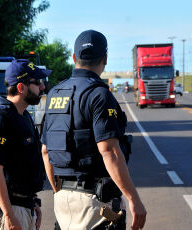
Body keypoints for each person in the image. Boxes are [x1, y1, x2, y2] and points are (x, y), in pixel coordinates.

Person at [41, 30, 147, 230]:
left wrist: (58, 191)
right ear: (105, 59)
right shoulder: (99, 95)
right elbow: (110, 151)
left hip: (62, 201)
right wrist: (134, 198)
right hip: (94, 203)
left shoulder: (55, 93)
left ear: (74, 58)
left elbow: (45, 151)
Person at [0, 59, 51, 230]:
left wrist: (32, 202)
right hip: (7, 211)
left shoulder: (24, 117)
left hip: (22, 206)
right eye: (37, 82)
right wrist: (9, 215)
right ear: (20, 87)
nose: (42, 87)